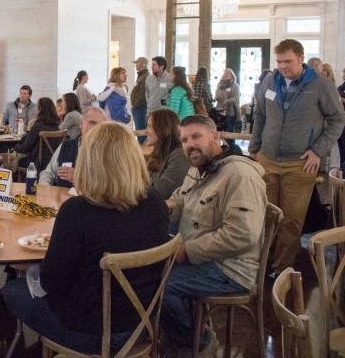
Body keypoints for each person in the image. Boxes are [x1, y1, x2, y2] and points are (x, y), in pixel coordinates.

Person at [3, 122, 169, 355]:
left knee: (11, 290)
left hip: (91, 333)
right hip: (142, 325)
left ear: (89, 161)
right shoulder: (156, 204)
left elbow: (52, 283)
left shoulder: (77, 211)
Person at [162, 115, 267, 354]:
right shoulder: (199, 168)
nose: (190, 144)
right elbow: (179, 200)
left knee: (160, 285)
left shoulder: (239, 175)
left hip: (231, 269)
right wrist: (153, 207)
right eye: (185, 140)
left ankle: (197, 342)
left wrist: (186, 252)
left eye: (196, 136)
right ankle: (177, 333)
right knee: (146, 272)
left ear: (216, 136)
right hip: (205, 258)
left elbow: (241, 234)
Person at [250, 39, 345, 273]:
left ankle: (282, 269)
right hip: (268, 159)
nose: (283, 66)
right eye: (279, 61)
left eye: (288, 61)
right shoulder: (271, 81)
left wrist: (318, 150)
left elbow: (337, 120)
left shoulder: (321, 85)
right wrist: (255, 147)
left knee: (291, 220)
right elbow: (260, 114)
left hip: (300, 164)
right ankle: (262, 265)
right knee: (265, 215)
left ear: (301, 58)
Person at [39, 107, 107, 188]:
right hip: (61, 197)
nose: (96, 128)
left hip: (88, 199)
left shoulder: (107, 152)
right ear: (81, 124)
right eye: (92, 123)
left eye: (101, 126)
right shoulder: (66, 146)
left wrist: (78, 178)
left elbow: (108, 187)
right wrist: (46, 189)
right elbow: (48, 173)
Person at [145, 109, 189, 201]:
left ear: (162, 129)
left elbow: (161, 192)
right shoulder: (160, 152)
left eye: (149, 126)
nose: (146, 131)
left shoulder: (180, 156)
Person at [13, 97, 61, 169]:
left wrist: (14, 146)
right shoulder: (57, 126)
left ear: (40, 109)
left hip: (37, 163)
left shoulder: (38, 126)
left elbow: (24, 148)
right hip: (54, 162)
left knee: (12, 158)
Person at [214, 68, 240, 132]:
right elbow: (217, 93)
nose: (225, 75)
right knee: (219, 129)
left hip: (230, 111)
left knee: (229, 130)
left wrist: (227, 101)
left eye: (227, 73)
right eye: (224, 73)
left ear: (232, 76)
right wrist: (216, 97)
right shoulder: (219, 84)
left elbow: (236, 98)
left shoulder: (235, 86)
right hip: (219, 110)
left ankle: (230, 142)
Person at [131, 57, 150, 142]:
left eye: (137, 63)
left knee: (141, 129)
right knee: (139, 128)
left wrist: (135, 106)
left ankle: (143, 150)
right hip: (138, 107)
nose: (136, 65)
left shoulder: (145, 76)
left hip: (140, 107)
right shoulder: (141, 75)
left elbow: (142, 94)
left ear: (143, 64)